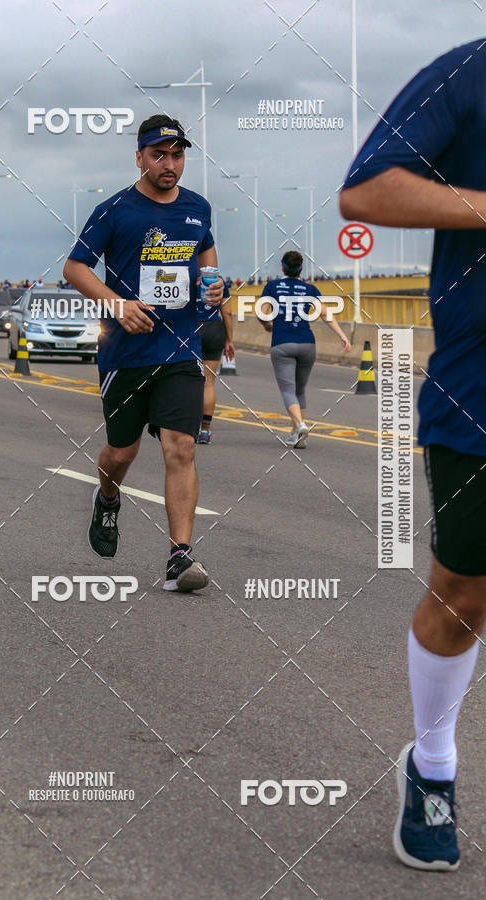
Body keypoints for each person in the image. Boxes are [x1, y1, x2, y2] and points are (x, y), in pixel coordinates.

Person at [340, 38, 486, 872]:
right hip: (479, 388)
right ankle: (433, 764)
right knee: (465, 588)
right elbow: (367, 190)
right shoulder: (467, 74)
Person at [63, 113, 223, 592]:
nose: (169, 164)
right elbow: (75, 267)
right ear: (139, 158)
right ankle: (108, 497)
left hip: (179, 349)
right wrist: (117, 303)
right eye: (158, 155)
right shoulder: (117, 211)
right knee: (121, 451)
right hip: (126, 354)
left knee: (182, 447)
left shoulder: (198, 209)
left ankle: (180, 557)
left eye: (177, 155)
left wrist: (215, 290)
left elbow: (208, 266)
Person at [258, 250, 350, 447]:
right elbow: (325, 315)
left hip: (282, 343)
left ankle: (300, 425)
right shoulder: (310, 289)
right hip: (307, 343)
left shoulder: (272, 286)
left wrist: (267, 325)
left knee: (288, 390)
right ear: (301, 268)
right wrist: (343, 337)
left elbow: (261, 311)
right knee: (300, 390)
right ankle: (296, 436)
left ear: (282, 267)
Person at [196, 281, 235, 443]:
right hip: (214, 328)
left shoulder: (185, 274)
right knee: (208, 383)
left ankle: (185, 428)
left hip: (191, 328)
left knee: (184, 380)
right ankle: (205, 431)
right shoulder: (217, 281)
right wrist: (229, 340)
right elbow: (227, 313)